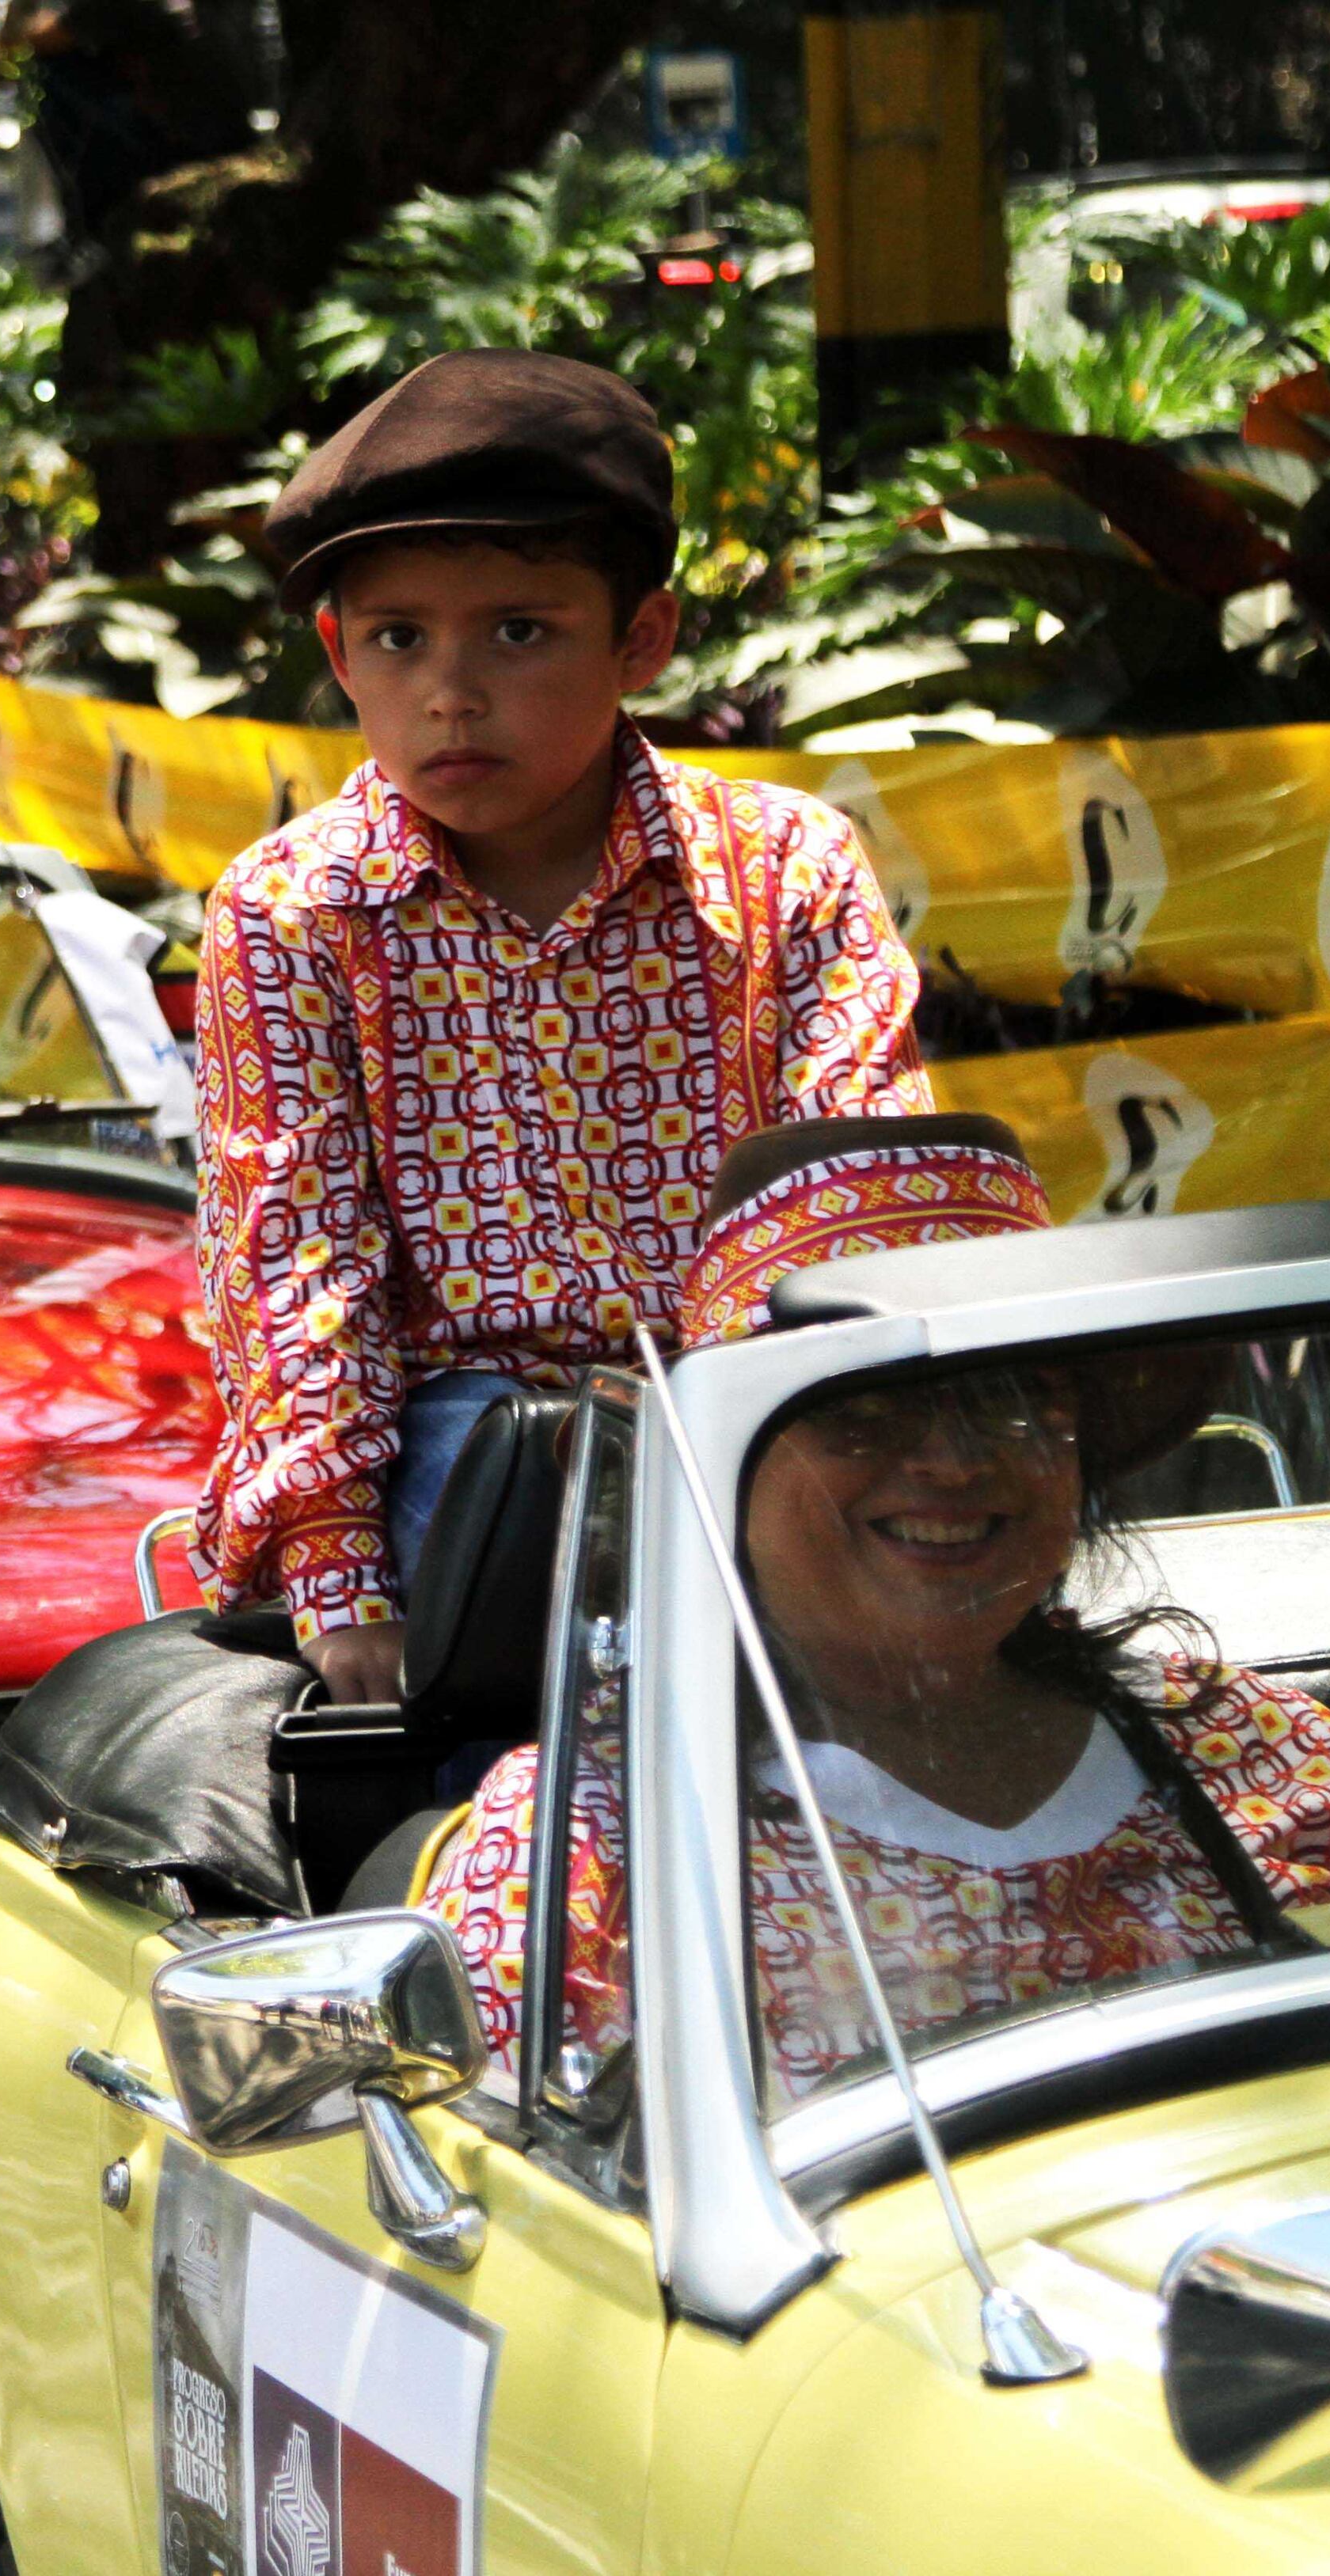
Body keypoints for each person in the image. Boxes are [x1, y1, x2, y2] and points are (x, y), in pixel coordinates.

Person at [188, 350, 929, 1710]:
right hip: (460, 1446)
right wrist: (340, 1575)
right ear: (341, 654)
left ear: (641, 641)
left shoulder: (788, 867)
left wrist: (770, 1425)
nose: (451, 692)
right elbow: (295, 1252)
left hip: (764, 1422)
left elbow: (856, 1195)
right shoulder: (292, 908)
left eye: (519, 632)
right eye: (399, 639)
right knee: (540, 1575)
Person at [416, 1116, 1330, 2097]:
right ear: (716, 1478)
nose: (951, 1462)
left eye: (1010, 1394)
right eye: (857, 1406)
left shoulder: (1251, 1746)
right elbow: (488, 2170)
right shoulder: (589, 1843)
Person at [0, 0, 252, 248]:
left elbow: (15, 57)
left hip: (189, 141)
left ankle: (103, 215)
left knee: (48, 72)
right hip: (192, 135)